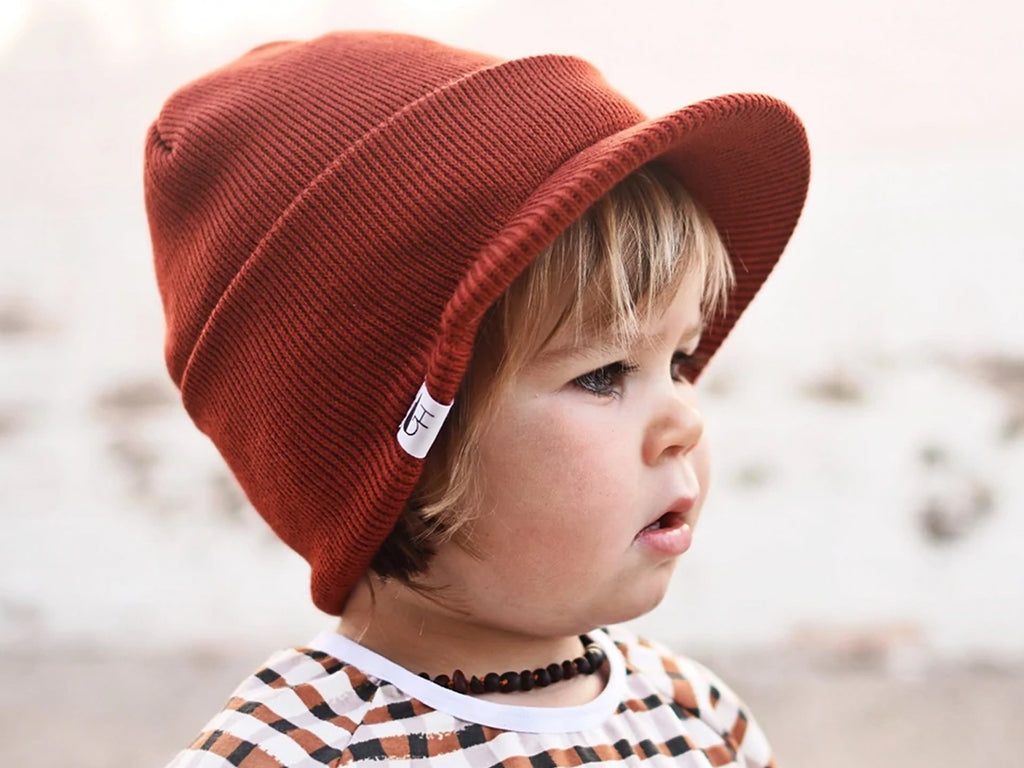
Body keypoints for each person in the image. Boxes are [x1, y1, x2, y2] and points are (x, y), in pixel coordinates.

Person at [145, 30, 809, 767]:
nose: (685, 420)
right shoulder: (299, 754)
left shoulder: (700, 722)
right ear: (406, 458)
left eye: (679, 361)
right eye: (604, 373)